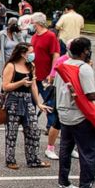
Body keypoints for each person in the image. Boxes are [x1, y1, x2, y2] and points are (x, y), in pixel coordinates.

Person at [55, 37, 95, 188]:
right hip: (81, 116)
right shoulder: (84, 68)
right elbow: (90, 94)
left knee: (65, 149)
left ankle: (63, 183)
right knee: (88, 152)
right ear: (84, 51)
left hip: (65, 114)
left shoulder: (62, 66)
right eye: (87, 49)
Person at [0, 44, 51, 170]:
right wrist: (21, 82)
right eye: (30, 52)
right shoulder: (11, 66)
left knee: (33, 130)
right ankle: (10, 160)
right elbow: (5, 86)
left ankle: (33, 159)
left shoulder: (31, 66)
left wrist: (38, 103)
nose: (32, 54)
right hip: (14, 101)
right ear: (22, 53)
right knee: (12, 133)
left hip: (27, 101)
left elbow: (33, 85)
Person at [29, 13, 62, 160]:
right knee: (32, 102)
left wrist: (52, 73)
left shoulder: (50, 36)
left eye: (32, 22)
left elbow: (55, 55)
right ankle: (31, 126)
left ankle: (51, 128)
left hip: (45, 76)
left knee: (49, 104)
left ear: (38, 23)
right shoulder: (35, 36)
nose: (31, 24)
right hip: (34, 75)